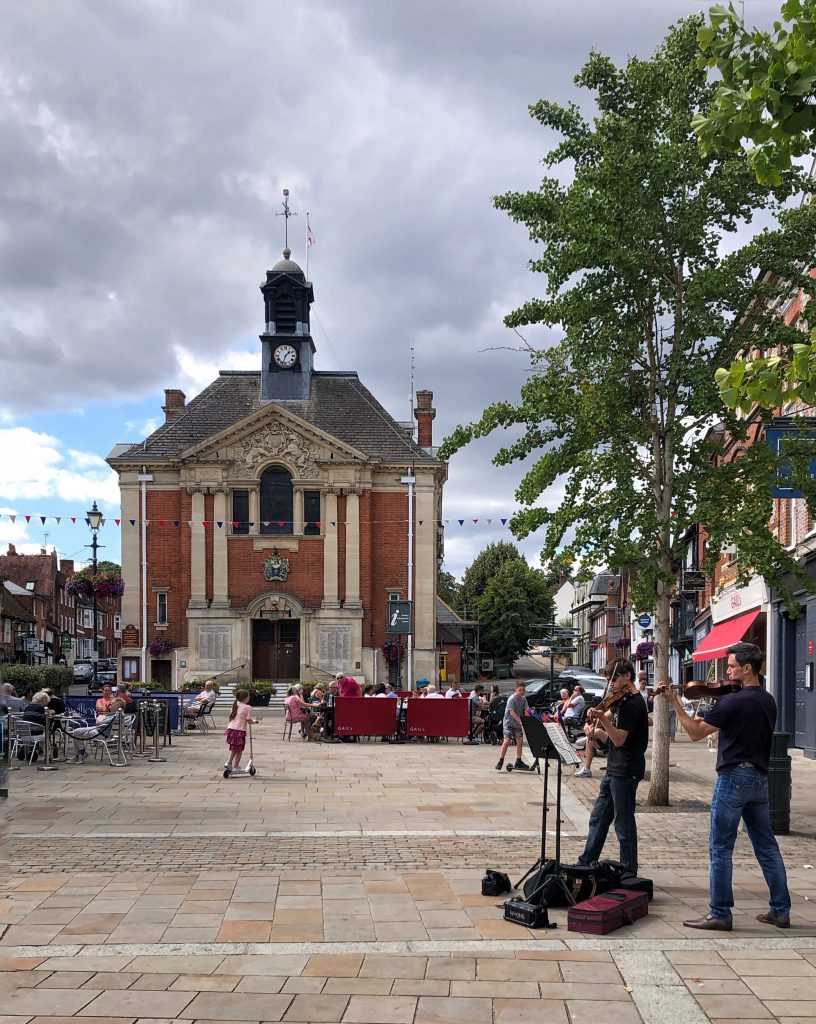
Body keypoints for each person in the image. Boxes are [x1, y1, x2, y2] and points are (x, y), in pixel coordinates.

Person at [659, 642, 791, 931]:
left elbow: (694, 733)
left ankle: (720, 913)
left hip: (733, 778)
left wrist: (674, 702)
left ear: (747, 668)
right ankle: (780, 911)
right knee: (767, 847)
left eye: (731, 667)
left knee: (720, 847)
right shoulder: (768, 700)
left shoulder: (733, 701)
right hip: (759, 780)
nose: (728, 672)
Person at [576, 659, 649, 875]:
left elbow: (618, 739)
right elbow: (605, 725)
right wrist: (594, 726)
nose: (611, 683)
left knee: (623, 824)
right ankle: (586, 862)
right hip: (614, 768)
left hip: (627, 769)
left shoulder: (633, 704)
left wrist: (603, 722)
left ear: (627, 676)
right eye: (609, 678)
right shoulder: (619, 701)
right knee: (598, 818)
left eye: (614, 678)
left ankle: (628, 871)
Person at [495, 681, 531, 772]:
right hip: (508, 723)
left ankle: (518, 760)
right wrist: (520, 721)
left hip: (517, 724)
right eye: (520, 690)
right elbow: (512, 712)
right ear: (516, 689)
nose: (522, 692)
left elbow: (527, 709)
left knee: (520, 742)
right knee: (507, 741)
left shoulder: (523, 699)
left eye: (523, 690)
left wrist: (531, 716)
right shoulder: (512, 699)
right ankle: (500, 760)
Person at [224, 689, 259, 773]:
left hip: (231, 729)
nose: (250, 697)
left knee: (235, 747)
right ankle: (231, 763)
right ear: (245, 697)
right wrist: (254, 721)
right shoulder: (247, 707)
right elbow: (248, 720)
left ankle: (234, 764)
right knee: (239, 749)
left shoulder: (235, 705)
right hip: (239, 730)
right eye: (248, 696)